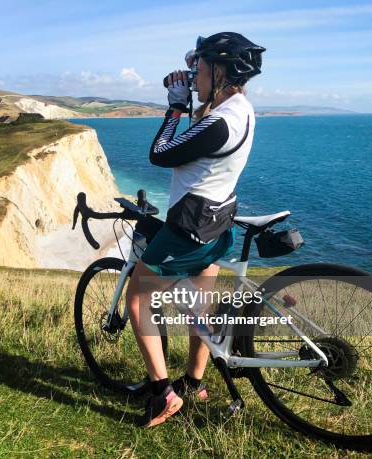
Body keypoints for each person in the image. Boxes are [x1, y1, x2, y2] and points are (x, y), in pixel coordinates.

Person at [125, 32, 266, 428]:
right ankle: (194, 382)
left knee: (137, 300)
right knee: (197, 306)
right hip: (218, 221)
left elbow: (161, 153)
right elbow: (196, 144)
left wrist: (173, 107)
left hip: (189, 225)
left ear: (219, 72)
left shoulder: (219, 123)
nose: (193, 76)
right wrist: (193, 93)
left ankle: (163, 394)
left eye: (200, 70)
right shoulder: (241, 110)